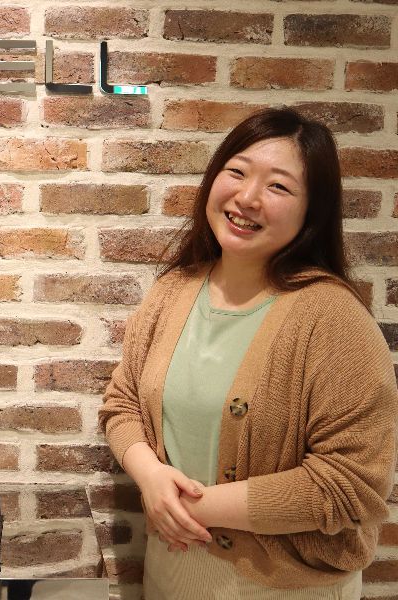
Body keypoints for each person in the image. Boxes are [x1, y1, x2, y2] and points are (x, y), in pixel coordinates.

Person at [99, 107, 398, 599]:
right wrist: (150, 476)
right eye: (236, 172)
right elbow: (122, 403)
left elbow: (350, 486)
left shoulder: (334, 320)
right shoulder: (174, 290)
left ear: (312, 212)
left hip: (286, 587)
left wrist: (190, 507)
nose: (247, 198)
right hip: (172, 570)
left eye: (278, 186)